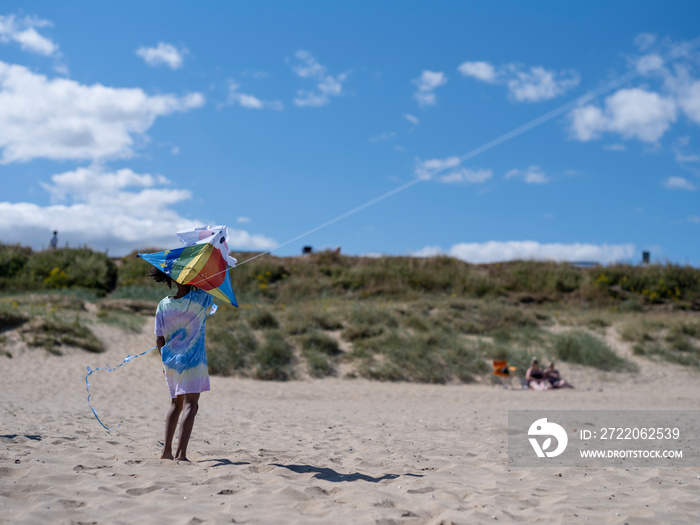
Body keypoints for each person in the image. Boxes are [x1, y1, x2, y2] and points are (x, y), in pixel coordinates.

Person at [149, 267, 214, 461]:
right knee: (191, 406)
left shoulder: (163, 304)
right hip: (193, 361)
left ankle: (166, 451)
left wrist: (164, 362)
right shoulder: (200, 299)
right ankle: (181, 454)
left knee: (175, 405)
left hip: (171, 361)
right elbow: (211, 287)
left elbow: (159, 338)